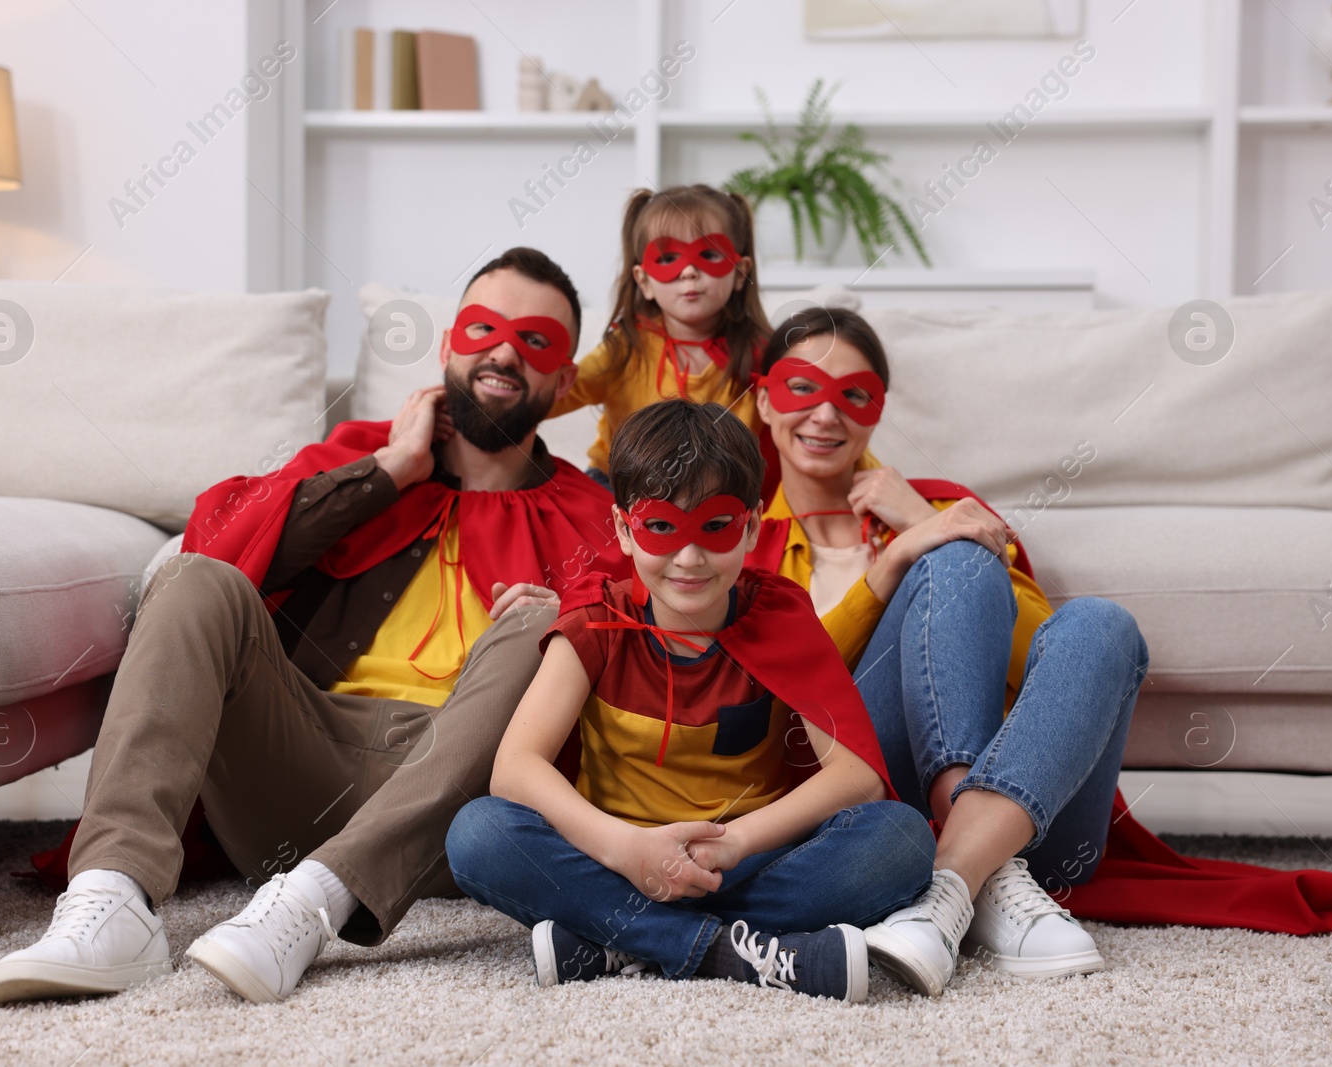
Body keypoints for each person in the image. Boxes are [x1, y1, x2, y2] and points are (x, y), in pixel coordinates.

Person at [0, 247, 627, 1005]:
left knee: (553, 625)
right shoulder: (367, 456)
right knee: (195, 581)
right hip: (298, 762)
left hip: (458, 799)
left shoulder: (599, 517)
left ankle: (317, 899)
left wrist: (564, 619)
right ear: (449, 345)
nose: (505, 351)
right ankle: (113, 897)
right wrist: (388, 472)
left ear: (562, 382)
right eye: (484, 327)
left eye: (536, 341)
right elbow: (225, 544)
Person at [446, 399, 937, 1003]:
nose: (689, 558)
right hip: (615, 857)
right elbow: (514, 768)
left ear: (753, 527)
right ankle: (732, 952)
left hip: (745, 858)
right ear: (624, 530)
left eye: (715, 527)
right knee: (478, 834)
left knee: (904, 838)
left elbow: (857, 777)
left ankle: (621, 941)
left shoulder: (779, 617)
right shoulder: (595, 623)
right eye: (660, 528)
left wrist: (735, 841)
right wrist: (625, 848)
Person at [748, 306, 1148, 997]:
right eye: (800, 388)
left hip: (1034, 813)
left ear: (876, 411)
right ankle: (975, 873)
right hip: (878, 816)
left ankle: (957, 877)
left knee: (1103, 625)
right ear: (762, 398)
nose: (824, 414)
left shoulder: (943, 509)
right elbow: (780, 706)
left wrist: (921, 523)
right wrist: (899, 559)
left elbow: (1042, 659)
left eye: (853, 394)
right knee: (952, 557)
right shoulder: (739, 545)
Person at [544, 184, 771, 486]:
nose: (689, 271)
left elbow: (812, 420)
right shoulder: (624, 350)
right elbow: (554, 394)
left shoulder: (761, 357)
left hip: (717, 497)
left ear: (740, 272)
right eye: (667, 259)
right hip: (618, 490)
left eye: (709, 254)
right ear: (644, 281)